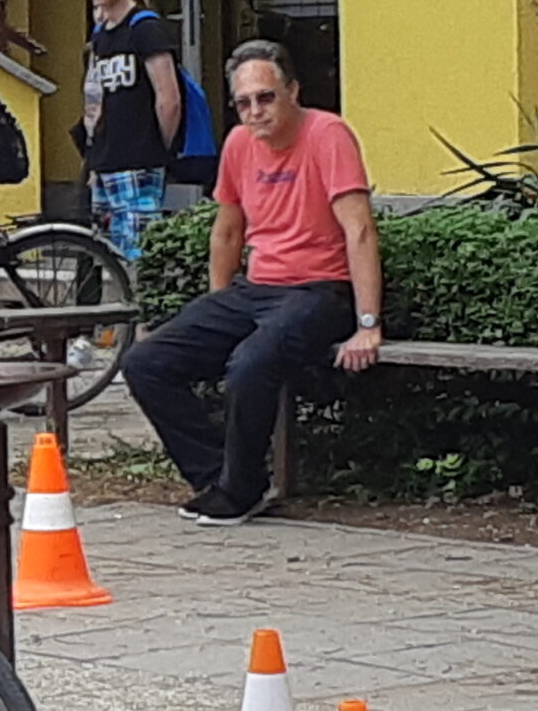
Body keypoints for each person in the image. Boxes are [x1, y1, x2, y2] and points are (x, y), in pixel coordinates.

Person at [123, 42, 383, 526]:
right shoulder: (240, 145)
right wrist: (218, 304)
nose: (255, 111)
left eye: (266, 97)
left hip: (321, 290)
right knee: (146, 361)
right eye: (244, 103)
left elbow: (360, 229)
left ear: (293, 92)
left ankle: (240, 490)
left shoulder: (329, 135)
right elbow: (227, 231)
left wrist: (368, 323)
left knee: (250, 364)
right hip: (255, 289)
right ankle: (217, 477)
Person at [79, 0, 183, 265]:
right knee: (108, 254)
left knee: (139, 253)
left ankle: (141, 315)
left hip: (139, 157)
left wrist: (157, 149)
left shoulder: (145, 29)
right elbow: (95, 98)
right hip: (105, 158)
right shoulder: (101, 33)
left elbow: (169, 98)